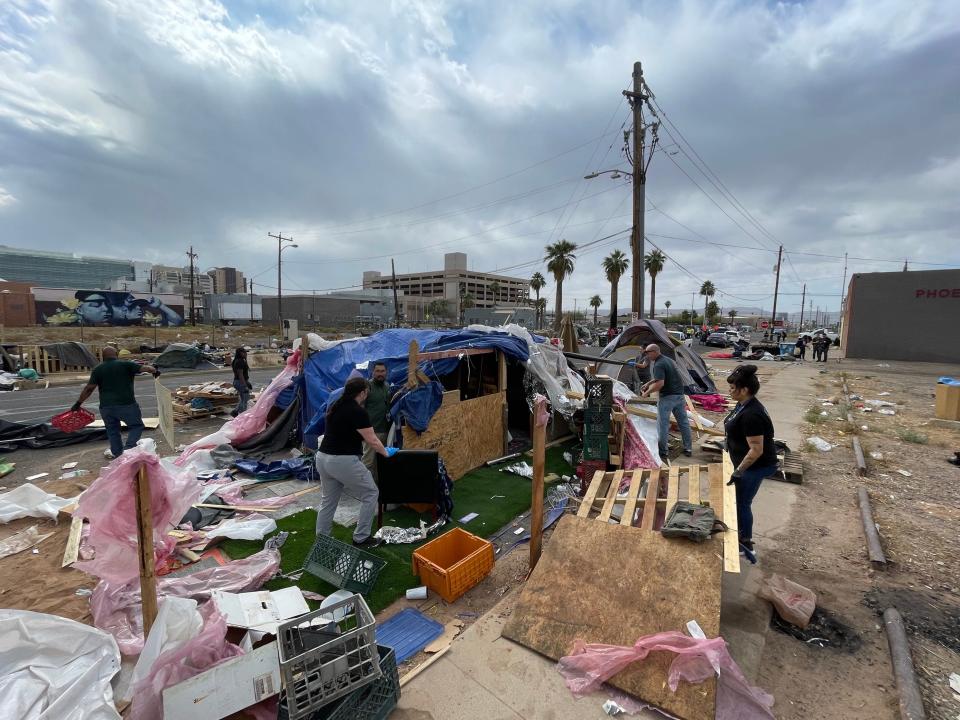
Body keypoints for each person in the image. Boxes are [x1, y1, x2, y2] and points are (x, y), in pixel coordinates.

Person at [315, 377, 397, 548]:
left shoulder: (335, 406)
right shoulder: (357, 411)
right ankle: (361, 537)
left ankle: (323, 539)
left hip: (323, 458)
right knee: (371, 493)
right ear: (363, 393)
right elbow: (372, 440)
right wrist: (386, 453)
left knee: (328, 501)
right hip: (342, 461)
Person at [723, 364, 778, 560]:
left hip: (756, 466)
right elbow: (732, 423)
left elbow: (756, 450)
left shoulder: (752, 414)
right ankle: (740, 535)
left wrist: (738, 471)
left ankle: (745, 542)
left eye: (732, 388)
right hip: (745, 462)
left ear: (744, 390)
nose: (729, 391)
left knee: (742, 503)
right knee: (738, 501)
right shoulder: (743, 404)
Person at [72, 347, 159, 459]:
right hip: (126, 404)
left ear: (103, 357)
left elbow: (89, 388)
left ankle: (119, 456)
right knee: (136, 426)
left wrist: (78, 403)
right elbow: (146, 369)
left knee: (113, 431)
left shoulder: (98, 369)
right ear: (117, 354)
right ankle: (129, 449)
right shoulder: (126, 365)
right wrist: (155, 369)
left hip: (106, 408)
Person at [637, 343, 692, 462]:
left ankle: (663, 452)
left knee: (662, 424)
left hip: (667, 397)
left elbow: (660, 384)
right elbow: (660, 378)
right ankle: (688, 448)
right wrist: (649, 383)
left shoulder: (659, 364)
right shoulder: (668, 360)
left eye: (648, 352)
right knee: (683, 423)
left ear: (655, 351)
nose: (646, 355)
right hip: (679, 395)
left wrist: (646, 393)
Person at [362, 362, 391, 475]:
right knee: (368, 462)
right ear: (373, 372)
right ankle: (365, 489)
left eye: (382, 371)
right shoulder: (367, 387)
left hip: (385, 431)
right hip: (371, 432)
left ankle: (378, 489)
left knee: (382, 462)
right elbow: (360, 407)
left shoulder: (387, 386)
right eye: (377, 371)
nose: (380, 374)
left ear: (386, 372)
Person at [231, 347, 252, 416]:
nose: (246, 354)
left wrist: (247, 382)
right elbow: (240, 375)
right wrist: (245, 385)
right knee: (245, 399)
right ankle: (241, 415)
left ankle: (235, 412)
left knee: (243, 399)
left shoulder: (238, 360)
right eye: (244, 352)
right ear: (240, 353)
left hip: (238, 382)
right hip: (240, 382)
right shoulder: (240, 361)